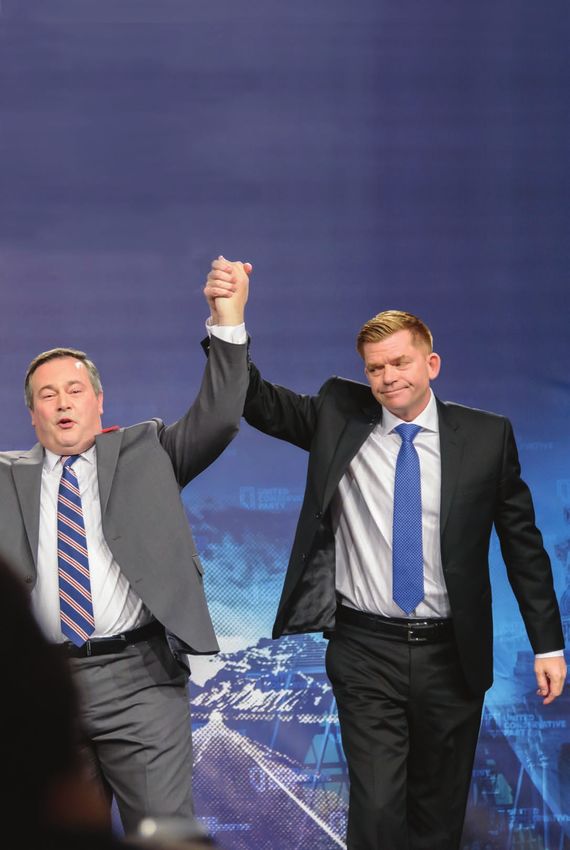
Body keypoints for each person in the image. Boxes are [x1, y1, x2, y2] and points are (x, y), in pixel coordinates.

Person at [204, 257, 566, 850]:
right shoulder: (337, 415)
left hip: (452, 654)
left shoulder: (486, 437)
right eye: (375, 368)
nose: (388, 377)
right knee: (375, 812)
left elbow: (524, 548)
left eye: (400, 362)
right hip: (365, 650)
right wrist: (229, 317)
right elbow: (254, 399)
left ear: (431, 364)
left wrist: (547, 644)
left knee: (437, 819)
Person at [0, 265, 250, 835]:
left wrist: (228, 320)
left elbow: (219, 418)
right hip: (40, 691)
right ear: (32, 415)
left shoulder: (148, 451)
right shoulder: (5, 476)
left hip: (141, 681)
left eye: (74, 391)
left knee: (163, 834)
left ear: (98, 401)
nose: (62, 403)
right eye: (47, 396)